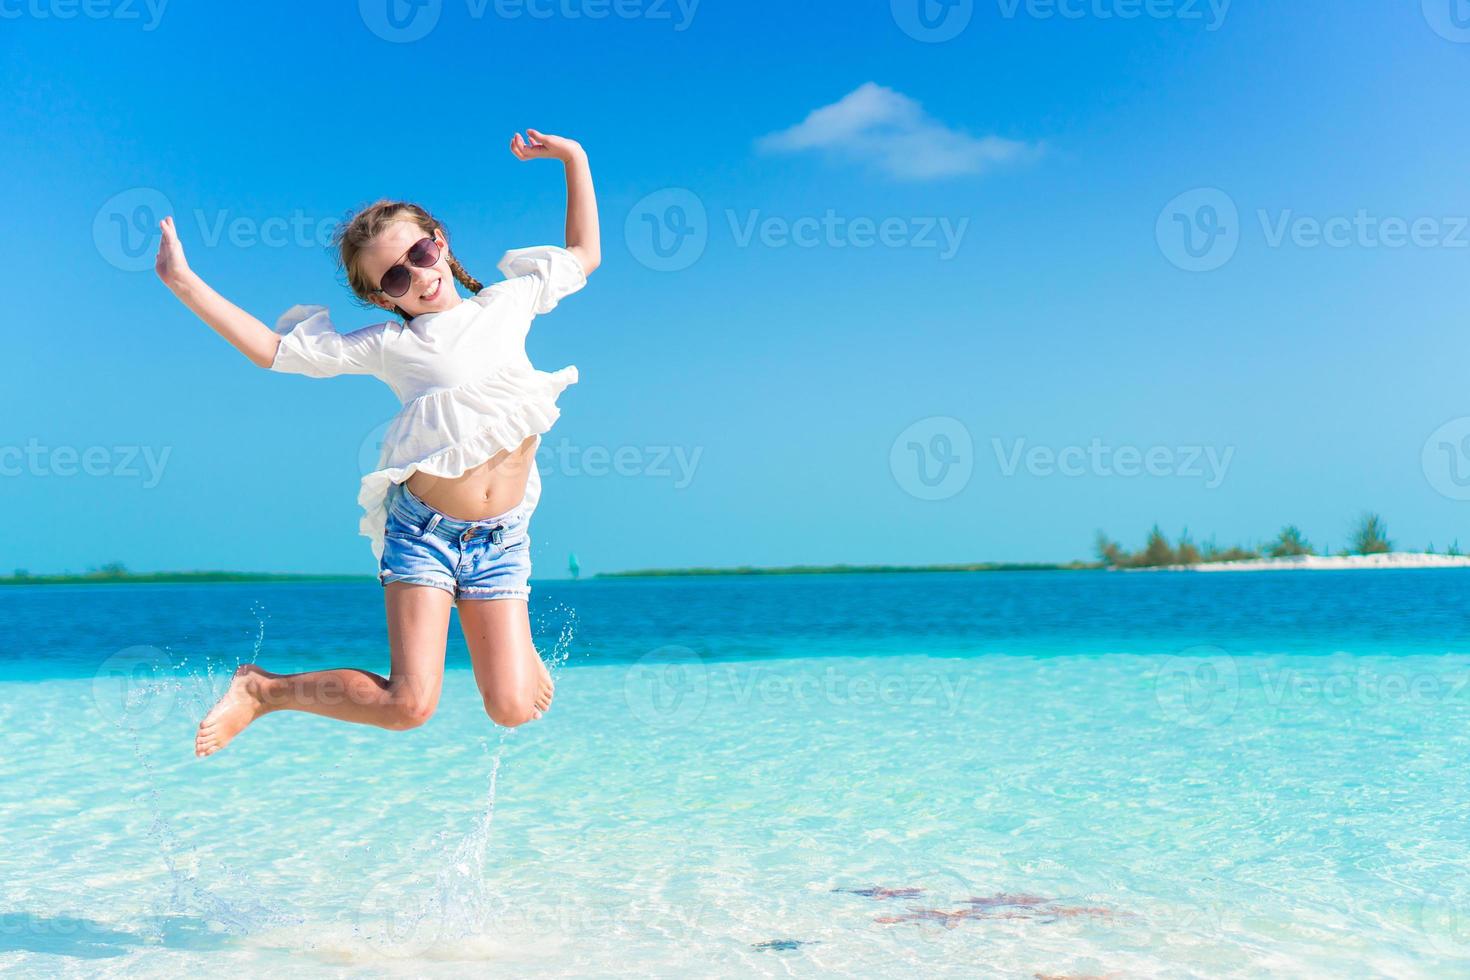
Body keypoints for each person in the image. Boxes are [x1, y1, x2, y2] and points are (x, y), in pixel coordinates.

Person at [154, 129, 600, 757]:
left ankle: (514, 647)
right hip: (427, 534)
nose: (417, 276)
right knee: (409, 706)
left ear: (439, 242)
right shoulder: (392, 347)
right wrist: (182, 281)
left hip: (503, 537)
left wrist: (572, 158)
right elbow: (274, 351)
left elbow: (584, 252)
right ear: (378, 296)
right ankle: (262, 691)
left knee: (513, 711)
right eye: (394, 277)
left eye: (420, 253)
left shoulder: (508, 303)